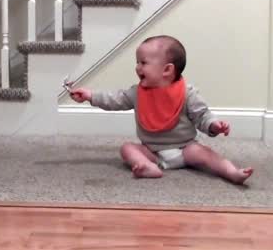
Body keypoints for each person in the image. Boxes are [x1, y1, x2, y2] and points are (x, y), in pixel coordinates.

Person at [69, 35, 253, 184]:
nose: (137, 67)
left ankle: (232, 172)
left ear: (167, 70)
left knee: (205, 153)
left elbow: (202, 115)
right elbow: (115, 99)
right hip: (153, 152)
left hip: (184, 148)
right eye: (137, 62)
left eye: (143, 63)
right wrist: (90, 96)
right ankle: (147, 166)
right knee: (127, 148)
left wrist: (214, 125)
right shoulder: (137, 93)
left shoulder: (187, 93)